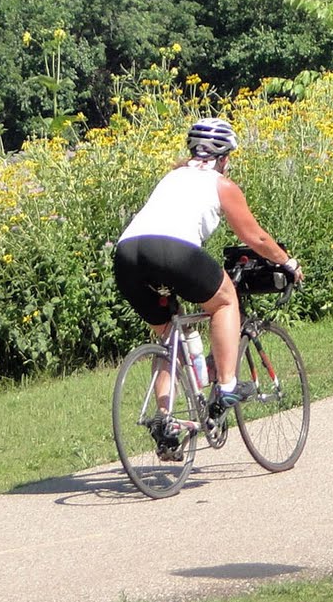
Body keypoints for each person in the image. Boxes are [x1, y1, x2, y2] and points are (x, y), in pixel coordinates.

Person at [112, 116, 301, 456]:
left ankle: (166, 421)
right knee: (225, 301)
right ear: (224, 156)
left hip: (126, 254)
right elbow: (254, 236)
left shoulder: (172, 176)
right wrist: (287, 262)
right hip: (171, 250)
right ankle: (227, 385)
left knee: (169, 336)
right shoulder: (220, 184)